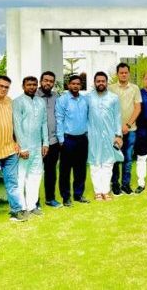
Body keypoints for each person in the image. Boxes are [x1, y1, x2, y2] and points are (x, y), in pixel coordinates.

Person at [0, 75, 26, 223]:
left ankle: (16, 210)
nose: (3, 89)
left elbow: (14, 124)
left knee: (12, 183)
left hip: (10, 150)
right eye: (0, 86)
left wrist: (16, 142)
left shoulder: (10, 101)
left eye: (6, 87)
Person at [13, 76, 49, 217]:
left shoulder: (40, 102)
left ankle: (32, 206)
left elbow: (44, 123)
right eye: (29, 85)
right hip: (24, 147)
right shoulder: (18, 102)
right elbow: (17, 125)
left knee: (35, 175)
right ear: (23, 86)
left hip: (37, 145)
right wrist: (22, 147)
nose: (32, 87)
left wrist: (45, 143)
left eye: (34, 84)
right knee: (21, 177)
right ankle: (21, 207)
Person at [54, 74, 90, 206]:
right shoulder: (62, 100)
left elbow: (88, 118)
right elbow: (59, 119)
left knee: (81, 169)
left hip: (82, 139)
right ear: (68, 85)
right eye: (73, 83)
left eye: (78, 84)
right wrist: (61, 139)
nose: (75, 86)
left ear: (81, 85)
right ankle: (66, 197)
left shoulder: (84, 100)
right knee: (65, 170)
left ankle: (78, 195)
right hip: (67, 139)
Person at [86, 72, 123, 201]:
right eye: (98, 81)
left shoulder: (114, 98)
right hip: (93, 136)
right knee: (95, 163)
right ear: (94, 82)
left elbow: (117, 117)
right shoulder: (88, 98)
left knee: (108, 163)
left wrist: (118, 135)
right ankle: (98, 192)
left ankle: (105, 191)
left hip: (110, 135)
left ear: (106, 82)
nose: (101, 83)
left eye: (103, 81)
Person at [108, 63, 142, 196]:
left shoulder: (135, 88)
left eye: (126, 72)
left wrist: (127, 125)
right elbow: (108, 109)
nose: (123, 74)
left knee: (128, 158)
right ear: (117, 74)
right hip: (114, 131)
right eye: (121, 72)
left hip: (131, 129)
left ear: (129, 73)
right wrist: (117, 128)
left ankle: (125, 185)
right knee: (116, 158)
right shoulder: (110, 88)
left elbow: (138, 108)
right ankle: (115, 185)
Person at [38, 71, 63, 208]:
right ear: (41, 81)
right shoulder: (34, 96)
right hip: (37, 142)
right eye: (46, 80)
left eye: (51, 81)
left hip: (53, 141)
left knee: (51, 171)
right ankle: (34, 201)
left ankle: (50, 198)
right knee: (35, 173)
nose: (48, 83)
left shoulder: (56, 96)